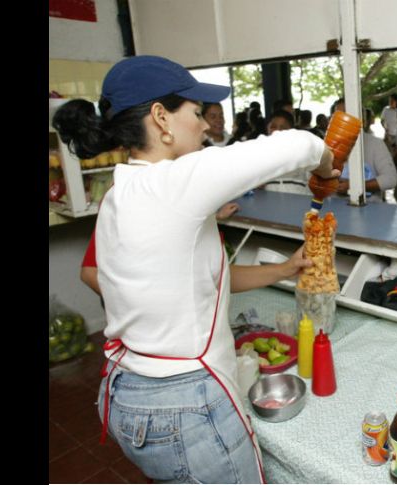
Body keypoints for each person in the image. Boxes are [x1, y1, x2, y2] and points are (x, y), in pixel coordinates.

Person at [51, 55, 337, 484]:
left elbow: (200, 283)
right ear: (161, 117)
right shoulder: (174, 183)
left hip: (127, 393)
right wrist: (327, 166)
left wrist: (282, 269)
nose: (206, 125)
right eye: (197, 112)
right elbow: (299, 146)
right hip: (185, 407)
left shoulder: (119, 194)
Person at [336, 108, 397, 203]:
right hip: (334, 207)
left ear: (362, 121)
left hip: (369, 208)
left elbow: (390, 179)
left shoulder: (375, 144)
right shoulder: (328, 144)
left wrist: (354, 185)